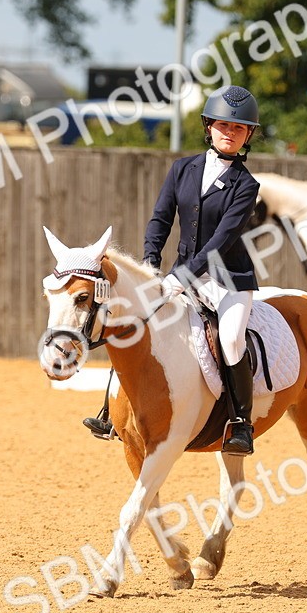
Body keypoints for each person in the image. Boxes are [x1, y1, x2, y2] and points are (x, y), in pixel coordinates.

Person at [84, 85, 263, 455]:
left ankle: (241, 423)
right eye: (223, 125)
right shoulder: (183, 169)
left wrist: (179, 279)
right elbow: (160, 219)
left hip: (229, 280)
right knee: (139, 322)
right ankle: (111, 410)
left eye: (239, 128)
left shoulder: (246, 185)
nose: (229, 133)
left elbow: (221, 242)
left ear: (248, 135)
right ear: (209, 126)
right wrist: (151, 264)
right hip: (180, 273)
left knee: (230, 339)